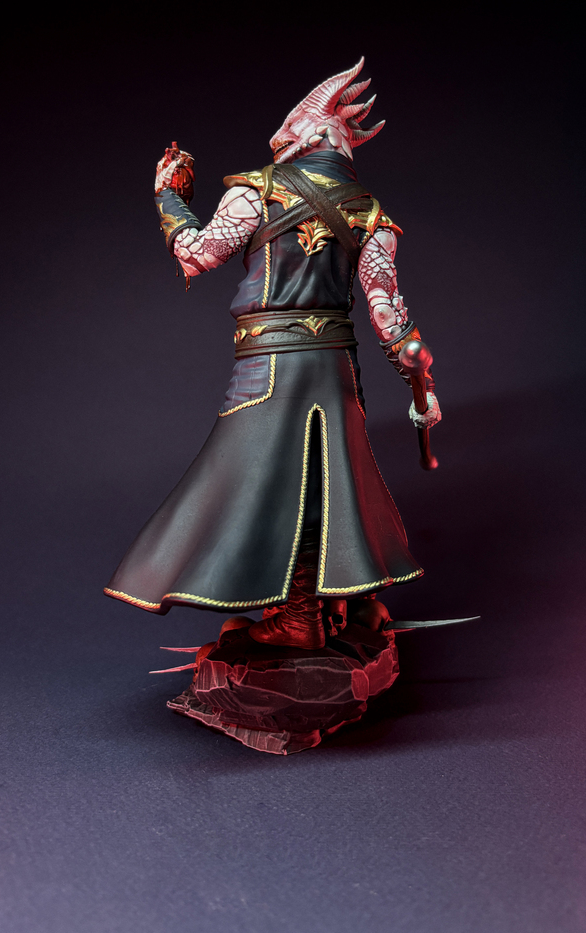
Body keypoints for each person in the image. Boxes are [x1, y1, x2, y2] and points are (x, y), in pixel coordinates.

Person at [105, 58, 441, 650]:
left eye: (287, 132)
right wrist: (424, 389)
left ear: (308, 137)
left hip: (269, 367)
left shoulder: (256, 190)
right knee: (330, 478)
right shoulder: (371, 214)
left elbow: (197, 254)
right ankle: (340, 605)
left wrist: (169, 198)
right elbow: (390, 319)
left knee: (266, 480)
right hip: (336, 370)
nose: (278, 140)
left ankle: (300, 619)